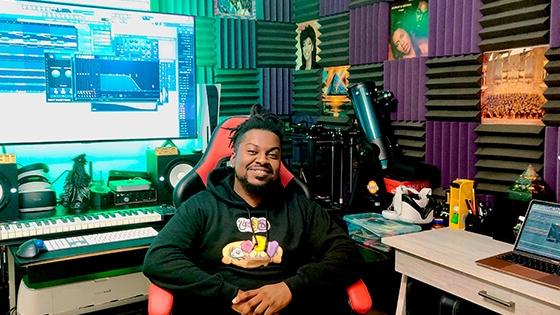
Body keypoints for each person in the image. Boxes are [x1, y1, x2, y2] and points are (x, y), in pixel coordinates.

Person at [143, 104, 364, 314]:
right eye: (252, 151)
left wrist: (290, 288)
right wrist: (232, 296)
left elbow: (347, 254)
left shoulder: (300, 208)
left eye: (272, 155)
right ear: (233, 157)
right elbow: (159, 259)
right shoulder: (201, 206)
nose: (262, 160)